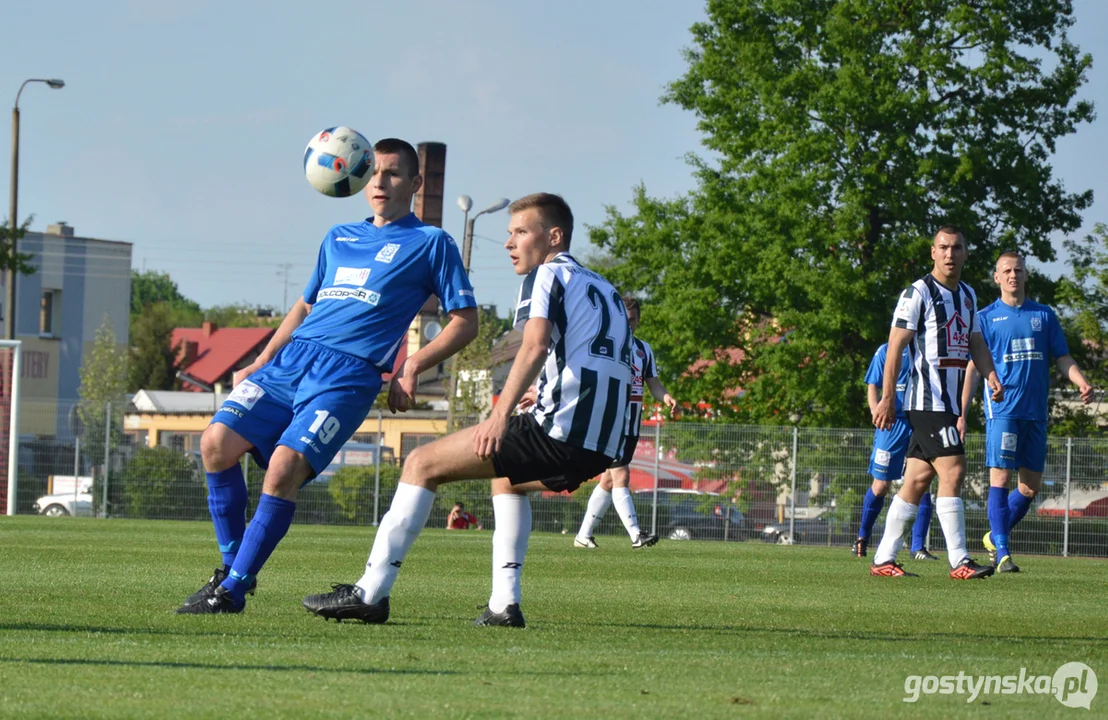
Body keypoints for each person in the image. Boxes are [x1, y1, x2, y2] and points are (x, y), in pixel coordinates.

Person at [176, 138, 479, 614]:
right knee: (214, 443)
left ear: (417, 184)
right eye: (373, 172)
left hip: (348, 376)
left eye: (394, 173)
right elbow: (305, 305)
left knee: (283, 469)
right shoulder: (338, 236)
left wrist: (412, 365)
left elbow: (467, 320)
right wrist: (261, 359)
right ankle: (235, 569)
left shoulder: (431, 243)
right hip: (290, 361)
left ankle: (230, 592)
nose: (380, 182)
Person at [302, 192, 632, 628]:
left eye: (520, 231)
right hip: (601, 444)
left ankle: (370, 592)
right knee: (507, 482)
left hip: (560, 431)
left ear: (554, 236)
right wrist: (544, 389)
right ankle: (503, 605)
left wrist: (501, 414)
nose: (509, 243)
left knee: (421, 463)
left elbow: (533, 345)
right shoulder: (604, 287)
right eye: (509, 233)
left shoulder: (546, 275)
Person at [870, 226, 1003, 580]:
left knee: (916, 479)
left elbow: (976, 342)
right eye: (943, 247)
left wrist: (990, 375)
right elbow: (895, 345)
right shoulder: (918, 292)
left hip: (947, 405)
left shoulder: (968, 295)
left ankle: (883, 558)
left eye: (956, 248)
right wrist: (887, 398)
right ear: (933, 252)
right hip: (925, 401)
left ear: (965, 254)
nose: (949, 254)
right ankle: (959, 560)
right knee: (955, 471)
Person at [960, 252, 1094, 573]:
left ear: (1026, 275)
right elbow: (974, 368)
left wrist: (1080, 380)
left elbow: (1062, 356)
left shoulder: (1044, 315)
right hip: (1003, 409)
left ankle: (995, 535)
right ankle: (1003, 552)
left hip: (1035, 412)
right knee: (1001, 477)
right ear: (996, 277)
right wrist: (962, 413)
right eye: (1006, 270)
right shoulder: (986, 317)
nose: (1012, 275)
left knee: (1030, 486)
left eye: (1018, 270)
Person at [574, 297, 676, 550]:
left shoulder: (644, 350)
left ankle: (583, 535)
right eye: (624, 319)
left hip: (632, 421)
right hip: (609, 418)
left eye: (632, 320)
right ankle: (635, 534)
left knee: (608, 480)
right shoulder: (605, 346)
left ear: (638, 321)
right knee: (621, 474)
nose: (628, 324)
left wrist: (666, 397)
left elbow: (653, 383)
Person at [852, 343, 938, 561]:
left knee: (921, 482)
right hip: (891, 423)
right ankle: (862, 537)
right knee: (881, 486)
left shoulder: (926, 347)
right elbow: (872, 383)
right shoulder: (886, 350)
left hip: (919, 420)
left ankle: (917, 547)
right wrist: (875, 411)